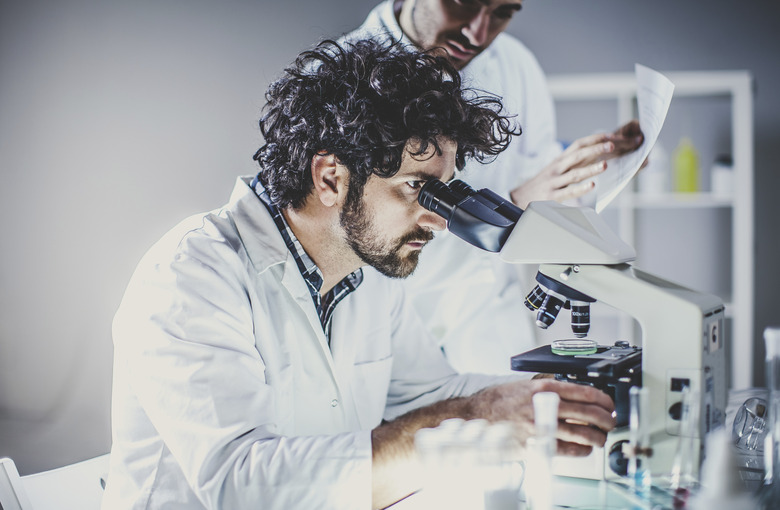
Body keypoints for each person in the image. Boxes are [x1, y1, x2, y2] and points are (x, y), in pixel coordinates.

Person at [102, 38, 616, 509]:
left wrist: (556, 396)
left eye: (447, 191)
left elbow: (430, 395)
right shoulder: (191, 276)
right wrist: (478, 418)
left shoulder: (367, 273)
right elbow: (243, 485)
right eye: (419, 188)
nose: (440, 219)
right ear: (331, 178)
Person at [344, 0, 645, 374]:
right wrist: (513, 204)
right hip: (387, 322)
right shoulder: (338, 77)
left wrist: (597, 166)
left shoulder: (515, 65)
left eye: (503, 12)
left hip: (487, 317)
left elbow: (540, 181)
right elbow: (355, 237)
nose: (478, 33)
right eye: (464, 3)